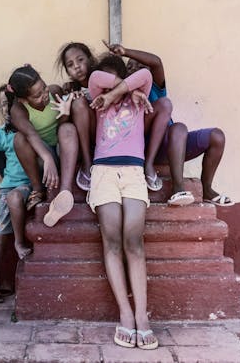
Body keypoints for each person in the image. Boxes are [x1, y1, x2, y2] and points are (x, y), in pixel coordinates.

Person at [87, 54, 159, 350]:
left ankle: (143, 317)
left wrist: (125, 91)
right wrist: (121, 89)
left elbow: (145, 73)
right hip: (103, 172)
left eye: (116, 78)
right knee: (112, 240)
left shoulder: (137, 99)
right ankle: (126, 314)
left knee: (134, 240)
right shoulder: (98, 98)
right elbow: (96, 80)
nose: (108, 88)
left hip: (133, 172)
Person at [104, 43, 233, 207]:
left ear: (150, 74)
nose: (136, 69)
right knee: (174, 121)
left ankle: (206, 189)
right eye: (130, 67)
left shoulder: (156, 89)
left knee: (215, 136)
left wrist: (126, 52)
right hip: (143, 149)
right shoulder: (123, 96)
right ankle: (178, 187)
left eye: (142, 67)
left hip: (172, 148)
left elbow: (156, 62)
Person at [5, 64, 78, 227]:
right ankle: (38, 188)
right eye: (37, 95)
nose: (44, 95)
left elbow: (63, 128)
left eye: (44, 88)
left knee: (68, 128)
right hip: (41, 155)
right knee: (19, 139)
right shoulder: (18, 110)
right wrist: (47, 159)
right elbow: (31, 135)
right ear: (24, 99)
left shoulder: (54, 91)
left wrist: (65, 115)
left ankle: (65, 192)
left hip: (64, 150)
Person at [0, 86, 33, 304]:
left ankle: (11, 280)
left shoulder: (32, 129)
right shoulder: (0, 134)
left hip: (31, 186)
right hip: (9, 187)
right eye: (3, 103)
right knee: (1, 235)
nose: (7, 108)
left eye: (11, 102)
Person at [56, 42, 98, 191]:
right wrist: (69, 103)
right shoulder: (72, 90)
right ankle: (87, 162)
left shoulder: (102, 80)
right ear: (67, 71)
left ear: (90, 59)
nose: (77, 67)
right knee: (78, 102)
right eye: (70, 64)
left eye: (80, 60)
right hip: (84, 141)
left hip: (106, 135)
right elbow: (62, 125)